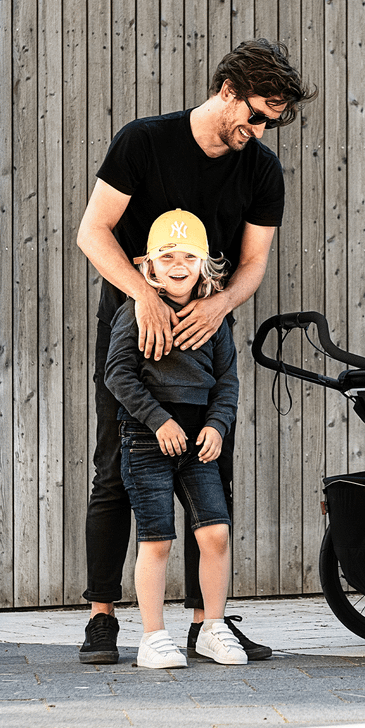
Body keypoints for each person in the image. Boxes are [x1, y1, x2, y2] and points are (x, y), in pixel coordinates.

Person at [77, 39, 317, 664]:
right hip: (135, 322)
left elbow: (253, 262)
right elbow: (92, 231)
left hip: (206, 332)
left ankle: (206, 623)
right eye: (259, 115)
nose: (263, 130)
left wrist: (218, 307)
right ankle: (102, 618)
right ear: (230, 89)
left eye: (276, 121)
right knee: (116, 469)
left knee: (208, 468)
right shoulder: (144, 142)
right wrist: (144, 300)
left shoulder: (260, 170)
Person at [105, 209, 244, 667]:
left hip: (199, 440)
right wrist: (158, 420)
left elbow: (227, 382)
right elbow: (118, 376)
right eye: (167, 256)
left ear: (204, 264)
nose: (178, 264)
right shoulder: (135, 311)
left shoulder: (213, 319)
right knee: (157, 538)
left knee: (216, 533)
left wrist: (217, 425)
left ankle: (213, 627)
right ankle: (152, 636)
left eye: (188, 255)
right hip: (148, 439)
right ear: (149, 266)